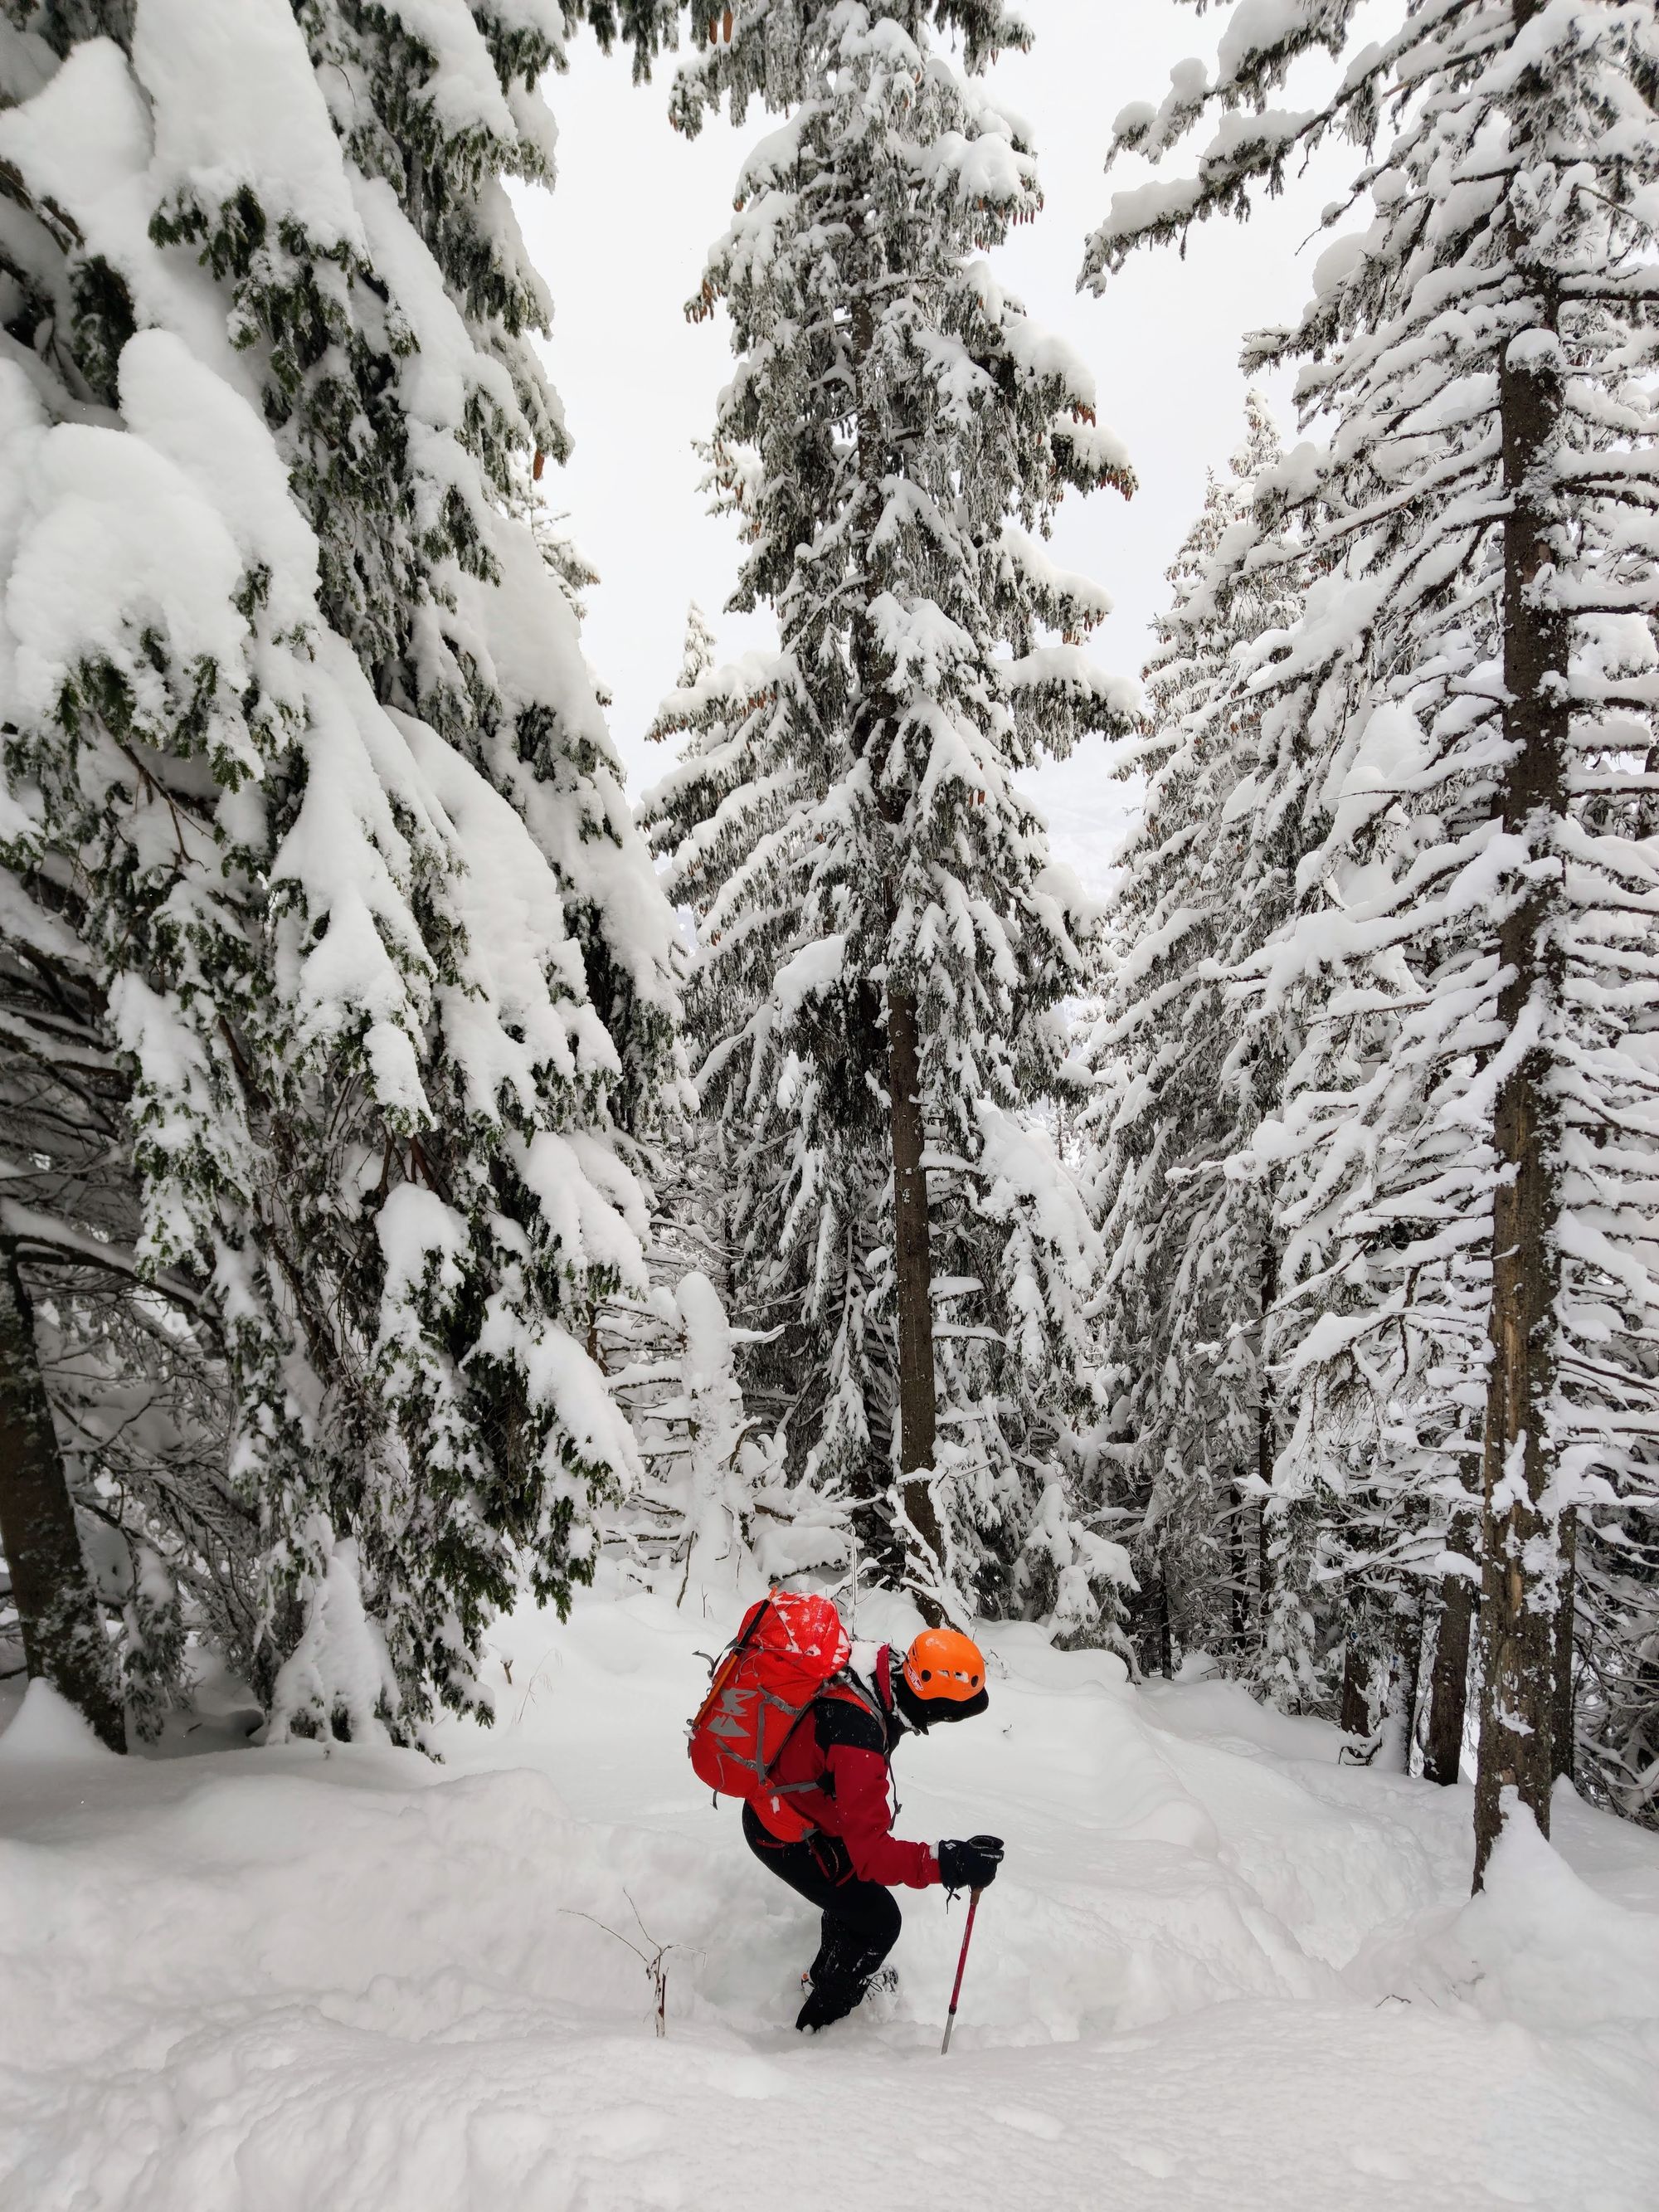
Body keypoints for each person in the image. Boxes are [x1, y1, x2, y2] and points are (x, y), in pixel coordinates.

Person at [743, 1625, 1005, 2032]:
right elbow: (872, 1858)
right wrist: (951, 1862)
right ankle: (823, 2022)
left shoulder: (882, 1671)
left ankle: (822, 1977)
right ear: (933, 1706)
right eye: (947, 1715)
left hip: (802, 1809)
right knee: (879, 1921)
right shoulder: (858, 1738)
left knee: (852, 1902)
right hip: (784, 1832)